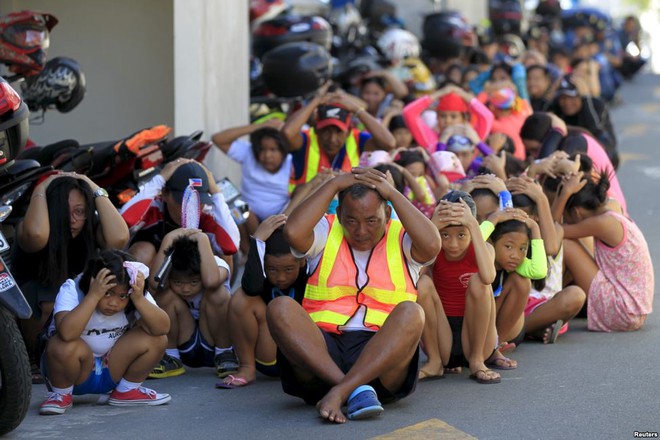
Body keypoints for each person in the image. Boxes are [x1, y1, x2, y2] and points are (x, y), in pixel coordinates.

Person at [267, 167, 441, 423]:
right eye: (351, 221)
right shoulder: (326, 230)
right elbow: (292, 232)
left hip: (381, 356)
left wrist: (391, 192)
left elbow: (433, 244)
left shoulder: (403, 237)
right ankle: (351, 390)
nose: (361, 231)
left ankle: (340, 391)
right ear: (338, 215)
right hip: (322, 355)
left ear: (388, 213)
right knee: (279, 307)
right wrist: (334, 184)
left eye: (371, 220)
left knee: (412, 312)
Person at [12, 172, 129, 383]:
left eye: (80, 211)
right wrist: (41, 188)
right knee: (47, 298)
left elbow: (120, 238)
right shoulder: (30, 226)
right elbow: (36, 235)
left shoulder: (90, 230)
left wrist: (93, 186)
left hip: (83, 323)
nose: (73, 220)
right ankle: (36, 359)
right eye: (65, 212)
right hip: (39, 320)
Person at [39, 250, 171, 415]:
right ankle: (61, 394)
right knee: (61, 345)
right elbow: (66, 333)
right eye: (108, 293)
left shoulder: (135, 292)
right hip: (74, 371)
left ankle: (126, 391)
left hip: (112, 366)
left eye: (122, 296)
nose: (114, 303)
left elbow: (162, 328)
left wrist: (138, 299)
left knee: (157, 339)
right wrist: (94, 296)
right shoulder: (73, 288)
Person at [419, 191, 504, 384]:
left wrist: (473, 224)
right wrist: (431, 228)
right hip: (442, 335)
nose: (453, 244)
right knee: (422, 283)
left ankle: (477, 361)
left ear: (472, 229)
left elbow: (489, 277)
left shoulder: (485, 249)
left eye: (461, 234)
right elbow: (412, 279)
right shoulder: (435, 251)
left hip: (476, 335)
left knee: (479, 281)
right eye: (445, 235)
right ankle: (434, 362)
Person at [555, 172, 654, 332]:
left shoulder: (602, 223)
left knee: (567, 244)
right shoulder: (612, 208)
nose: (564, 220)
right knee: (575, 242)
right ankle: (556, 302)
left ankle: (546, 305)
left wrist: (564, 193)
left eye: (566, 217)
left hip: (622, 311)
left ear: (576, 213)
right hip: (633, 310)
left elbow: (554, 232)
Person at [218, 215, 309, 389]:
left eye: (289, 269)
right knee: (241, 298)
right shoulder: (259, 276)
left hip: (306, 355)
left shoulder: (311, 270)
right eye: (272, 269)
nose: (280, 277)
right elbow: (250, 289)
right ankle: (247, 367)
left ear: (302, 261)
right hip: (271, 355)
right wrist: (257, 241)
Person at [147, 228, 236, 380]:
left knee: (216, 293)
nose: (186, 289)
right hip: (184, 340)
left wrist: (202, 239)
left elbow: (211, 282)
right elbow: (155, 284)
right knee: (164, 294)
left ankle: (225, 353)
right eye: (178, 282)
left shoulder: (216, 265)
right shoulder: (171, 267)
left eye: (194, 282)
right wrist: (168, 239)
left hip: (213, 339)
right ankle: (171, 357)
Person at [506, 176, 586, 344]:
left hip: (544, 308)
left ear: (535, 217)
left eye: (523, 218)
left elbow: (550, 247)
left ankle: (520, 330)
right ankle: (529, 330)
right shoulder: (505, 238)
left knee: (576, 295)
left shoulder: (552, 231)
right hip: (513, 307)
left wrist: (541, 198)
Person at [120, 159, 240, 267]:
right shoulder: (153, 207)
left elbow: (231, 246)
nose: (191, 208)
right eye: (184, 200)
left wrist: (216, 193)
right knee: (142, 252)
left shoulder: (206, 212)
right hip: (153, 281)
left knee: (223, 256)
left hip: (191, 281)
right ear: (165, 193)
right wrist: (159, 180)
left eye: (198, 200)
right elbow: (122, 224)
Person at [282, 83, 396, 194]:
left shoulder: (356, 139)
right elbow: (287, 132)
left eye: (339, 132)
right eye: (326, 131)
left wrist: (356, 109)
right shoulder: (305, 140)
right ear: (316, 129)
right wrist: (316, 101)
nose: (332, 139)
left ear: (348, 131)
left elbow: (389, 143)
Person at [211, 118, 291, 225]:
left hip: (282, 219)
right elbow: (218, 139)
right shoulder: (248, 153)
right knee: (240, 211)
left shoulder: (292, 162)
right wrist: (260, 126)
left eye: (273, 150)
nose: (267, 155)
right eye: (262, 149)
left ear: (283, 150)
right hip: (248, 220)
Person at [549, 75, 618, 168]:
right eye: (563, 98)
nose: (567, 103)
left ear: (581, 97)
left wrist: (586, 100)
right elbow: (541, 121)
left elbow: (594, 131)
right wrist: (549, 94)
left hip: (602, 153)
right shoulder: (557, 108)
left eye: (572, 97)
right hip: (568, 156)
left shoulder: (596, 105)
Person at [402, 83, 493, 153]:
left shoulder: (473, 137)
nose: (447, 121)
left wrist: (463, 95)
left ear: (464, 119)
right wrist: (439, 93)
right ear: (437, 117)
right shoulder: (431, 141)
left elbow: (487, 116)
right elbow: (408, 112)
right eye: (443, 116)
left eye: (453, 116)